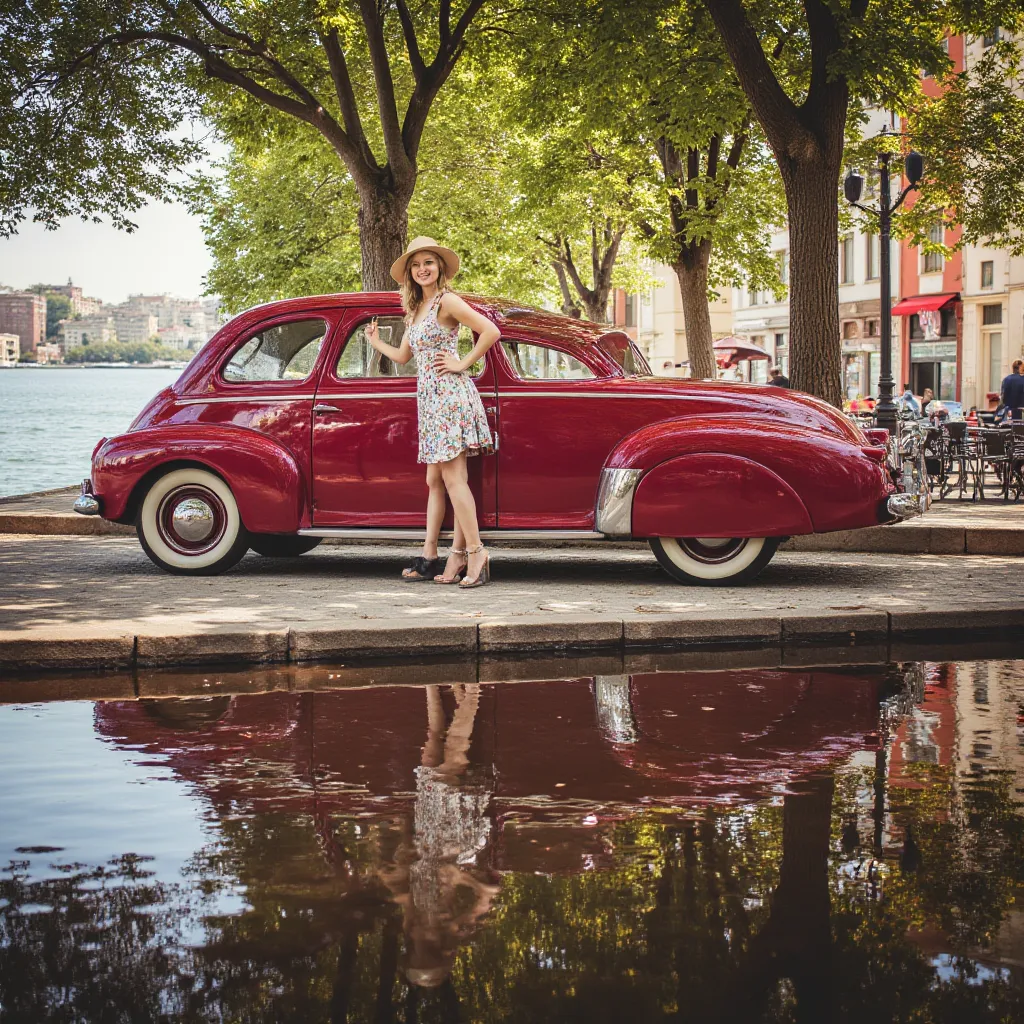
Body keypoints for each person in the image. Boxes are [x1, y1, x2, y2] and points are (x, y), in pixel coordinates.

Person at [365, 237, 500, 588]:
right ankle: (437, 554)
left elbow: (490, 331)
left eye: (429, 262)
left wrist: (462, 363)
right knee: (435, 481)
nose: (422, 268)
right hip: (430, 400)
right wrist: (376, 341)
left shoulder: (447, 301)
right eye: (416, 264)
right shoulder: (417, 309)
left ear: (439, 267)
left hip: (449, 396)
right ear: (410, 272)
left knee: (455, 480)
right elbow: (403, 357)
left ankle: (476, 551)